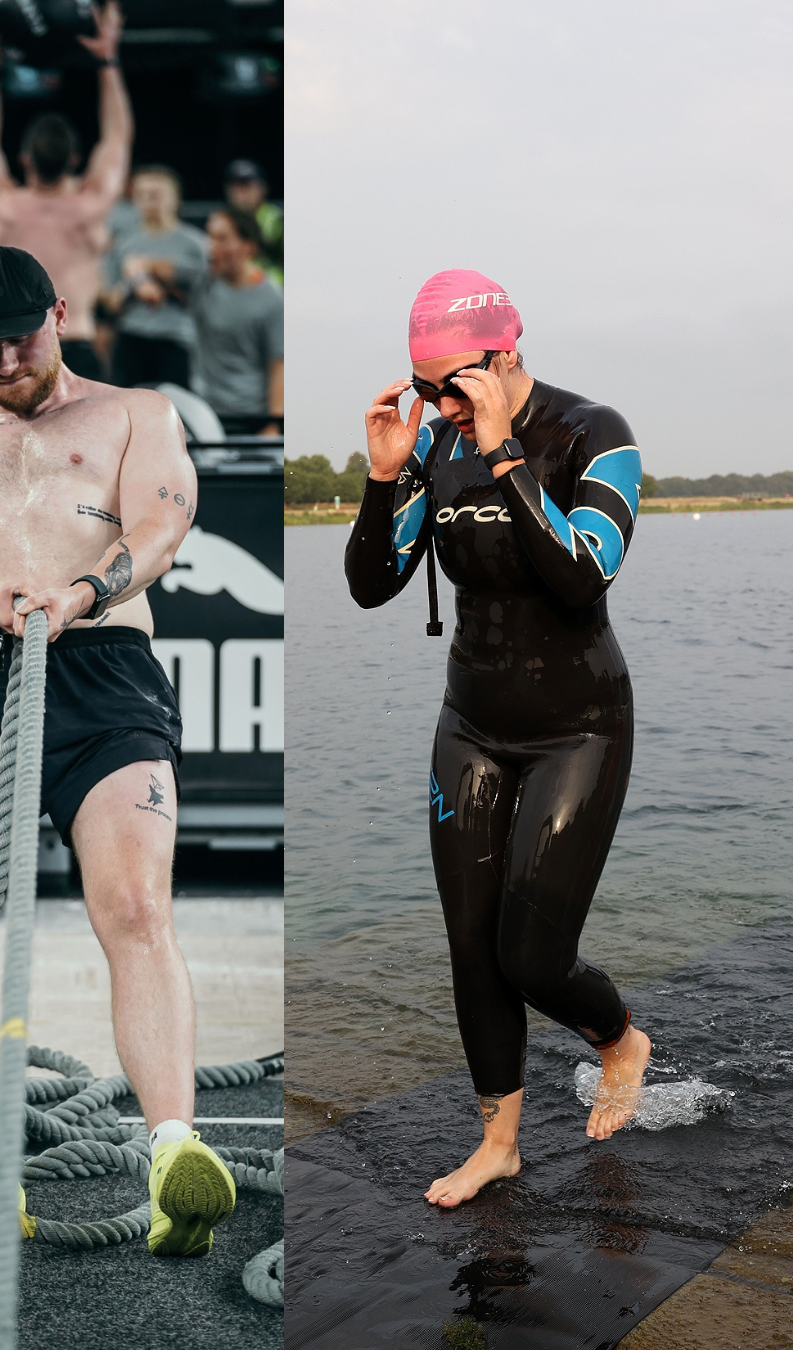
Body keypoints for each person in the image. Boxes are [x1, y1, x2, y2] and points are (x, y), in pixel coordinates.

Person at [0, 243, 235, 1260]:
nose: (5, 360)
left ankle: (175, 1159)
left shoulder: (137, 414)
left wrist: (84, 593)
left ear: (61, 315)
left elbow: (165, 523)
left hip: (106, 667)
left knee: (133, 904)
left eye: (20, 338)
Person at [345, 268, 651, 1207]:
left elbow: (582, 576)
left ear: (504, 355)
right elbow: (371, 582)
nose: (436, 402)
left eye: (450, 384)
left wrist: (508, 454)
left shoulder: (595, 433)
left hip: (579, 729)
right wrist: (386, 473)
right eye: (423, 383)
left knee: (532, 957)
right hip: (470, 725)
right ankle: (500, 1143)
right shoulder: (434, 447)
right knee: (471, 944)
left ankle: (618, 1039)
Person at [0, 3, 132, 382]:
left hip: (13, 350)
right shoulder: (89, 206)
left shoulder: (3, 205)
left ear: (23, 159)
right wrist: (108, 61)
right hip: (74, 343)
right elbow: (117, 140)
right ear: (76, 159)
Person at [102, 166, 207, 389]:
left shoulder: (196, 244)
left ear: (175, 198)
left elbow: (208, 298)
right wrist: (136, 281)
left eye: (157, 194)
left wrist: (158, 272)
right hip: (132, 338)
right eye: (142, 195)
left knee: (177, 412)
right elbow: (110, 302)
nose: (150, 201)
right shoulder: (122, 245)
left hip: (177, 340)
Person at [191, 207, 283, 435]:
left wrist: (274, 425)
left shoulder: (272, 299)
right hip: (203, 414)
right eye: (210, 237)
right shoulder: (202, 282)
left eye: (222, 239)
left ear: (248, 247)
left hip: (250, 419)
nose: (211, 247)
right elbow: (161, 269)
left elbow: (279, 365)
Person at [224, 160, 282, 286]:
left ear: (262, 189)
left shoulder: (275, 219)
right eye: (236, 187)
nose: (240, 193)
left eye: (246, 186)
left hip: (273, 287)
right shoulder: (223, 220)